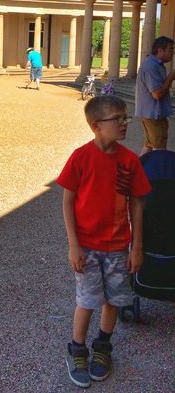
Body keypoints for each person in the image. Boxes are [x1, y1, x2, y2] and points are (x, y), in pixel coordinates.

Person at [56, 95, 148, 388]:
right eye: (117, 119)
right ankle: (77, 349)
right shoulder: (81, 157)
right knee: (86, 300)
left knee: (114, 300)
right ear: (96, 126)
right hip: (87, 247)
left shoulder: (130, 160)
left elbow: (136, 204)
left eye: (125, 118)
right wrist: (73, 244)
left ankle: (103, 347)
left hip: (119, 247)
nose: (124, 123)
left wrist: (137, 246)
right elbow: (68, 201)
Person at [136, 36, 175, 155]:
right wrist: (171, 78)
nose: (172, 52)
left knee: (149, 145)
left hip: (152, 113)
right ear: (160, 51)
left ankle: (138, 171)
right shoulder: (151, 66)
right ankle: (157, 173)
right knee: (159, 149)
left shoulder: (156, 64)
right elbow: (157, 94)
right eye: (170, 49)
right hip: (153, 115)